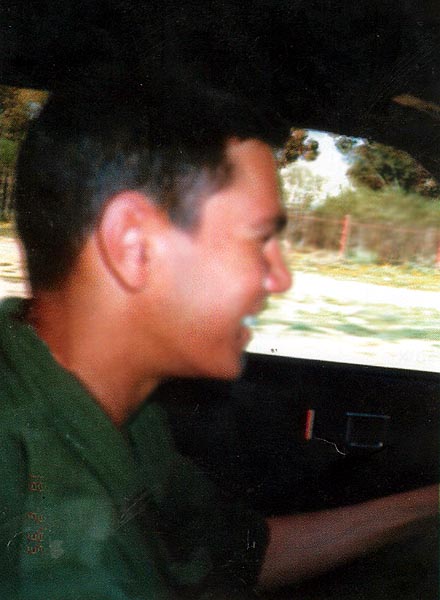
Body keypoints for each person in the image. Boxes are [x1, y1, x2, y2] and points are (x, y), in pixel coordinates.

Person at [0, 79, 437, 599]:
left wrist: (425, 508)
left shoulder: (105, 407)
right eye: (256, 240)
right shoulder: (55, 551)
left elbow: (239, 555)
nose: (280, 279)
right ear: (134, 246)